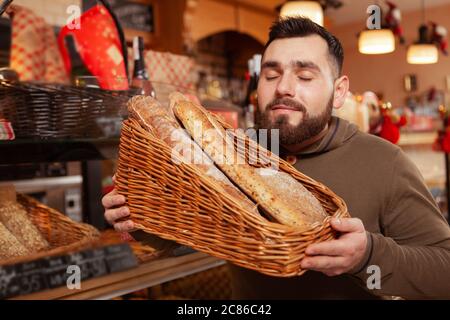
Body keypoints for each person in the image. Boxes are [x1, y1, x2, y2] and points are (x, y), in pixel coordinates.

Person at [102, 17, 450, 299]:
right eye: (271, 74)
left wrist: (368, 256)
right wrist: (141, 219)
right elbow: (192, 227)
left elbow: (444, 272)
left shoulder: (384, 162)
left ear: (339, 91)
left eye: (305, 75)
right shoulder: (236, 149)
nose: (284, 87)